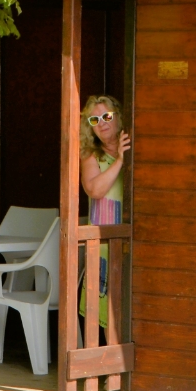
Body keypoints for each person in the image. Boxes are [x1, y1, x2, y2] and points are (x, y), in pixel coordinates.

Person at [79, 96, 128, 325]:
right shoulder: (92, 156)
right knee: (108, 313)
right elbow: (94, 189)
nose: (102, 123)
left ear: (118, 117)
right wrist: (119, 160)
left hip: (132, 240)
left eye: (107, 116)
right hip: (105, 245)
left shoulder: (134, 146)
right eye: (94, 119)